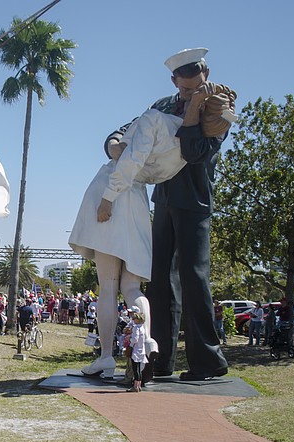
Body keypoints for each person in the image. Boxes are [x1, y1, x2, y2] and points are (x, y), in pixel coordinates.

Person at [73, 47, 232, 380]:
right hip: (163, 198)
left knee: (194, 276)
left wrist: (193, 114)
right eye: (185, 89)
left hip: (194, 199)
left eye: (197, 86)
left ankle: (207, 361)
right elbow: (124, 131)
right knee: (159, 280)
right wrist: (114, 144)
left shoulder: (217, 107)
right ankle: (161, 358)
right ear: (174, 81)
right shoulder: (161, 105)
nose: (191, 94)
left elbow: (195, 151)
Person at [127, 309, 148, 392]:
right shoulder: (142, 327)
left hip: (136, 349)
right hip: (141, 349)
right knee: (139, 368)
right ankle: (138, 385)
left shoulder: (136, 328)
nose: (133, 320)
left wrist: (130, 343)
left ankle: (135, 386)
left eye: (134, 318)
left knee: (135, 368)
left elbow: (135, 339)